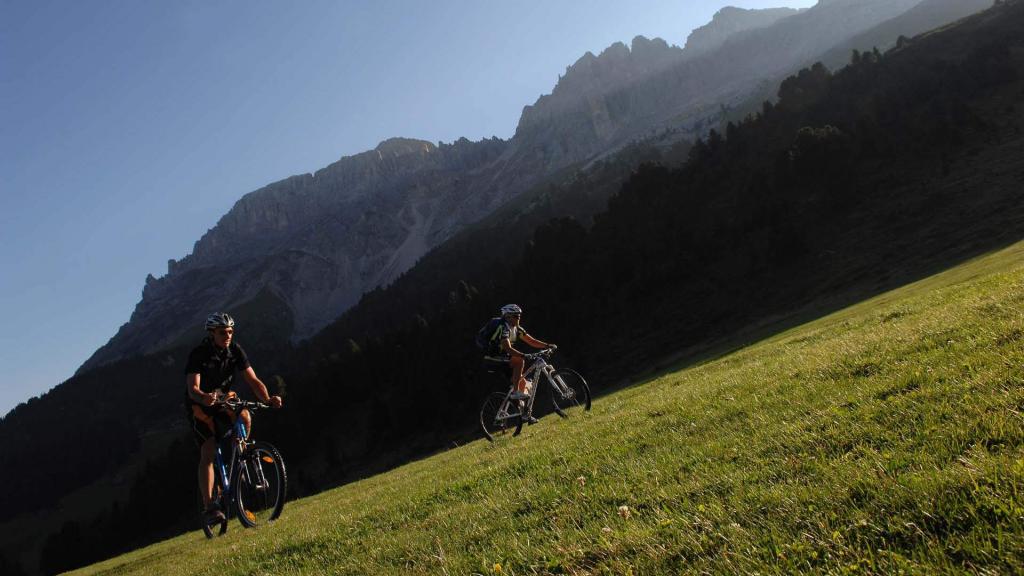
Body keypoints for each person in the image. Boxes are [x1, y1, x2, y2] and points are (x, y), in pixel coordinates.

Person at [185, 312, 282, 525]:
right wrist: (204, 397)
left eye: (230, 332)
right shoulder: (199, 354)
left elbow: (253, 379)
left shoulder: (235, 351)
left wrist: (268, 398)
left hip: (224, 400)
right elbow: (192, 388)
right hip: (200, 406)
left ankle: (241, 455)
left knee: (245, 414)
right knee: (208, 450)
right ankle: (210, 506)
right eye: (223, 332)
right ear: (212, 334)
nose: (227, 336)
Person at [482, 304, 555, 422]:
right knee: (519, 361)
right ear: (508, 317)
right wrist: (523, 355)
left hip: (504, 358)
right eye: (516, 316)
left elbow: (531, 341)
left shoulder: (517, 329)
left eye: (519, 315)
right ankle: (515, 392)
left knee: (524, 384)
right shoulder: (503, 327)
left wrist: (547, 345)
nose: (519, 318)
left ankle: (525, 414)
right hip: (492, 358)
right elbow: (507, 348)